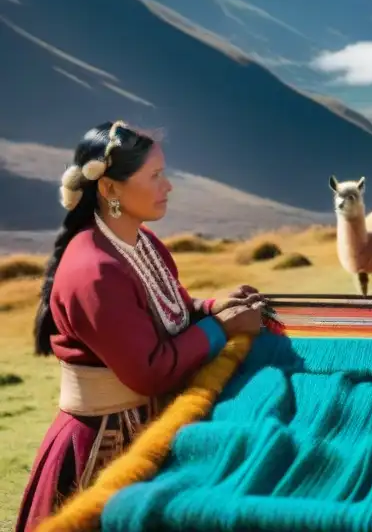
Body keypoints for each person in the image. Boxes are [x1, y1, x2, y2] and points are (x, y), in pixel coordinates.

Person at [16, 121, 266, 531]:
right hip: (103, 451)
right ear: (110, 189)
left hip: (149, 428)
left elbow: (173, 310)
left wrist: (212, 307)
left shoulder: (142, 244)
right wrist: (220, 327)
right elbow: (149, 370)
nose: (167, 186)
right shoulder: (93, 271)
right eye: (155, 176)